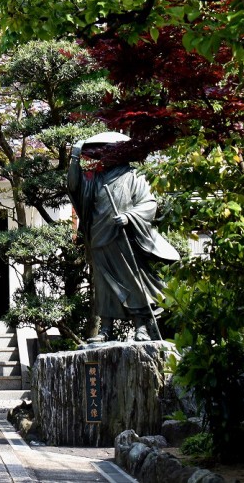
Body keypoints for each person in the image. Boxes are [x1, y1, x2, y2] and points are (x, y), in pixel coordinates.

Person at [67, 132, 180, 342]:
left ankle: (141, 327)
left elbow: (149, 204)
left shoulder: (134, 176)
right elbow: (74, 187)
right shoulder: (96, 178)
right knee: (104, 285)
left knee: (132, 280)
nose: (106, 156)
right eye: (104, 152)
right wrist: (75, 157)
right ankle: (105, 329)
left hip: (123, 237)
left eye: (110, 152)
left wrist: (129, 216)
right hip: (99, 237)